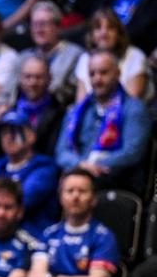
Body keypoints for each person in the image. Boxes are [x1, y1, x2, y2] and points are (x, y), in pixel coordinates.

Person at [11, 169, 120, 277]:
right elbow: (37, 276)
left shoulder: (103, 237)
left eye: (82, 191)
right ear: (61, 197)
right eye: (69, 191)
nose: (75, 196)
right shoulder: (49, 234)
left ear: (93, 199)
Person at [56, 50, 152, 193]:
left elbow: (132, 152)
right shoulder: (77, 111)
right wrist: (81, 165)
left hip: (117, 182)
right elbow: (61, 152)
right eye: (92, 73)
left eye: (103, 73)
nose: (97, 79)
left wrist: (94, 166)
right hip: (79, 175)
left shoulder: (134, 108)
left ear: (118, 74)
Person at [0, 110, 58, 236]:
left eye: (16, 130)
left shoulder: (44, 168)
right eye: (5, 132)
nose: (9, 137)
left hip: (31, 236)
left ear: (31, 136)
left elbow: (18, 203)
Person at [9, 1, 83, 106]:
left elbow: (68, 95)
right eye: (35, 24)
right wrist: (3, 108)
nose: (39, 29)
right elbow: (7, 94)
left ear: (58, 27)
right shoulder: (23, 57)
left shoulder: (75, 55)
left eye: (44, 24)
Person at [72, 8, 150, 101]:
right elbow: (81, 103)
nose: (104, 33)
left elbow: (133, 101)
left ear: (119, 33)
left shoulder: (135, 56)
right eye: (98, 28)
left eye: (110, 28)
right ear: (91, 35)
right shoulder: (85, 59)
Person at [0, 55, 66, 157]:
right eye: (28, 77)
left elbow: (53, 153)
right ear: (20, 79)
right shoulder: (10, 111)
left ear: (49, 79)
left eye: (39, 77)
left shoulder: (59, 113)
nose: (33, 83)